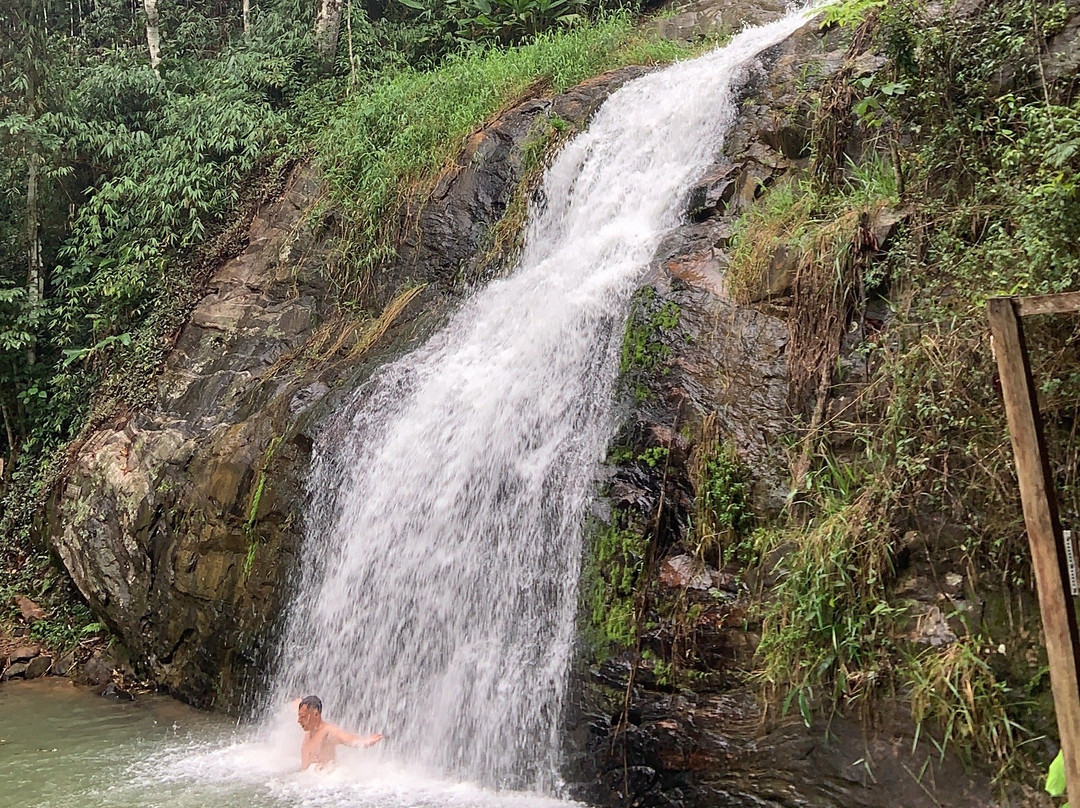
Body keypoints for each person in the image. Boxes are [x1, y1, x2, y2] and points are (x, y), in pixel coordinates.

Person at [295, 695, 383, 770]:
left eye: (303, 717)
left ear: (315, 714)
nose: (299, 721)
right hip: (306, 784)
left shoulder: (327, 732)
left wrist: (364, 742)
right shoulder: (309, 732)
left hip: (322, 785)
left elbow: (346, 738)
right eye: (299, 716)